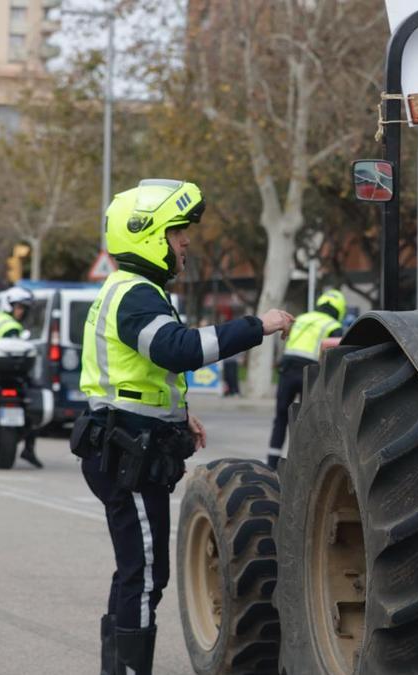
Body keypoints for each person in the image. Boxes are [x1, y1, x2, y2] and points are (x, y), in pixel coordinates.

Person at [74, 179, 293, 674]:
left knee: (136, 570)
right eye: (177, 232)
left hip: (128, 441)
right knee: (147, 573)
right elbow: (178, 349)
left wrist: (179, 413)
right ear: (147, 234)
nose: (185, 241)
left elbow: (139, 372)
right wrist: (259, 325)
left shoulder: (135, 291)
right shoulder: (134, 294)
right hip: (124, 452)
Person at [266, 288, 346, 469]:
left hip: (287, 369)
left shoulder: (301, 318)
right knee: (305, 421)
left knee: (281, 417)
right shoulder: (333, 326)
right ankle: (299, 465)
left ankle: (271, 464)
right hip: (310, 372)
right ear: (340, 309)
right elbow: (333, 356)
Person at [0, 286, 44, 468]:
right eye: (19, 307)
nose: (21, 312)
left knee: (33, 404)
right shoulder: (11, 326)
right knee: (33, 398)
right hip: (3, 373)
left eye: (23, 308)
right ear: (9, 305)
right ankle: (29, 448)